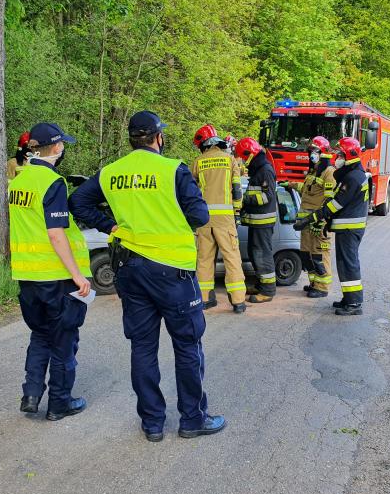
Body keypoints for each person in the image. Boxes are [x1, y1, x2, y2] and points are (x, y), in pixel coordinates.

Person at [70, 110, 226, 442]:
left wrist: (110, 226)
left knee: (142, 347)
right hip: (174, 273)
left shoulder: (111, 173)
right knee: (187, 345)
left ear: (131, 140)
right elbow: (199, 215)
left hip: (130, 271)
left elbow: (78, 202)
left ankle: (153, 424)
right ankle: (192, 419)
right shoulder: (174, 170)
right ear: (159, 138)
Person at [8, 122, 92, 421]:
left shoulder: (17, 182)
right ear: (56, 147)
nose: (64, 148)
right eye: (62, 144)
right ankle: (60, 403)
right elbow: (56, 234)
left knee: (40, 334)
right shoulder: (52, 182)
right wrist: (78, 275)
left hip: (27, 275)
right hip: (55, 277)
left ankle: (31, 394)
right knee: (63, 339)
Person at [295, 137, 368, 316]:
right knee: (344, 264)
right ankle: (348, 299)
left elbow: (336, 204)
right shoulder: (354, 175)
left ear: (349, 155)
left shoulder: (353, 178)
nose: (338, 157)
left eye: (341, 154)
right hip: (347, 228)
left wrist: (316, 217)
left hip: (350, 229)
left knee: (349, 265)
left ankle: (354, 303)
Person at [191, 125, 246, 313]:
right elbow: (237, 190)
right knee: (231, 257)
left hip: (204, 219)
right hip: (225, 218)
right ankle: (238, 301)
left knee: (204, 259)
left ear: (203, 144)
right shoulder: (230, 160)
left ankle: (205, 299)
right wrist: (237, 212)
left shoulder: (198, 161)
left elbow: (191, 191)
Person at [285, 136, 336, 298]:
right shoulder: (314, 171)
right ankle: (314, 282)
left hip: (318, 224)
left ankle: (322, 287)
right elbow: (308, 190)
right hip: (307, 223)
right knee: (307, 255)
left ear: (323, 153)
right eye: (310, 151)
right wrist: (292, 185)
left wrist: (321, 222)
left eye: (314, 151)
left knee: (319, 255)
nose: (311, 154)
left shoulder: (329, 172)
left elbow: (329, 201)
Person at [235, 137, 278, 303]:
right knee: (255, 253)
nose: (244, 161)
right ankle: (261, 284)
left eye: (245, 157)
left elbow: (268, 196)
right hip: (256, 221)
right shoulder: (258, 169)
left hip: (263, 222)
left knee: (262, 254)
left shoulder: (265, 170)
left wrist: (246, 201)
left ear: (251, 154)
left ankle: (267, 291)